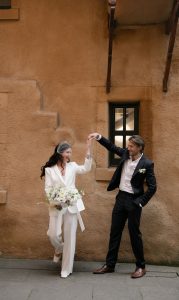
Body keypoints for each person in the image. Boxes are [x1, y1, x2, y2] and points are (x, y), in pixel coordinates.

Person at [88, 133, 157, 278]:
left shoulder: (147, 164)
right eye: (128, 145)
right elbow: (112, 147)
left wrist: (140, 202)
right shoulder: (125, 154)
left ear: (139, 148)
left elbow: (152, 187)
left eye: (131, 146)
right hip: (121, 198)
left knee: (134, 234)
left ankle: (141, 266)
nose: (128, 148)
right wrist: (99, 137)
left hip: (134, 201)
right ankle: (110, 265)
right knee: (115, 232)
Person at [40, 139, 92, 278]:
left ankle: (66, 269)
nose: (70, 154)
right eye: (68, 151)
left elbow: (86, 168)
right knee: (53, 234)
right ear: (61, 153)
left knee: (70, 237)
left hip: (72, 205)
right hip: (56, 205)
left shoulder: (73, 166)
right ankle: (59, 249)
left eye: (70, 152)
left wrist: (88, 151)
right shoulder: (50, 170)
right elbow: (48, 188)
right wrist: (56, 200)